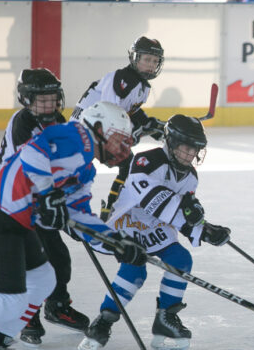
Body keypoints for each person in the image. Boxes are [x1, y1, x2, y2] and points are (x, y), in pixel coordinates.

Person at [0, 102, 147, 349]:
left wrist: (116, 242)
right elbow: (32, 152)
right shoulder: (74, 135)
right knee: (11, 302)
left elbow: (78, 213)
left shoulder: (85, 169)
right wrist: (47, 193)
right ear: (98, 127)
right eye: (118, 139)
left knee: (44, 280)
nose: (123, 148)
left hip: (17, 221)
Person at [78, 115, 231, 350]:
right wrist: (189, 212)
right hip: (127, 223)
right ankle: (105, 320)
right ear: (171, 143)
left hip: (156, 226)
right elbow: (154, 202)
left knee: (181, 259)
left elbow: (181, 214)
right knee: (134, 270)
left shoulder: (190, 176)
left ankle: (165, 317)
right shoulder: (146, 161)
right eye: (185, 147)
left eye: (195, 149)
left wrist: (205, 231)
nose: (190, 154)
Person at [0, 69, 91, 348]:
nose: (49, 105)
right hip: (10, 201)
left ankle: (57, 305)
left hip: (36, 197)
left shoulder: (57, 120)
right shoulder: (23, 122)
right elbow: (32, 163)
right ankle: (28, 316)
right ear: (26, 100)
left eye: (52, 99)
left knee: (57, 255)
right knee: (28, 262)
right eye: (41, 100)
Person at [70, 36, 166, 223]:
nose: (151, 65)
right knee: (76, 176)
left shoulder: (142, 86)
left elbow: (130, 112)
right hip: (82, 132)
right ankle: (104, 210)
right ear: (135, 58)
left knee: (127, 165)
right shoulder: (123, 79)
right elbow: (111, 113)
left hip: (96, 131)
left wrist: (153, 125)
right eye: (147, 59)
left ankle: (111, 209)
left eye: (155, 61)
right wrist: (137, 131)